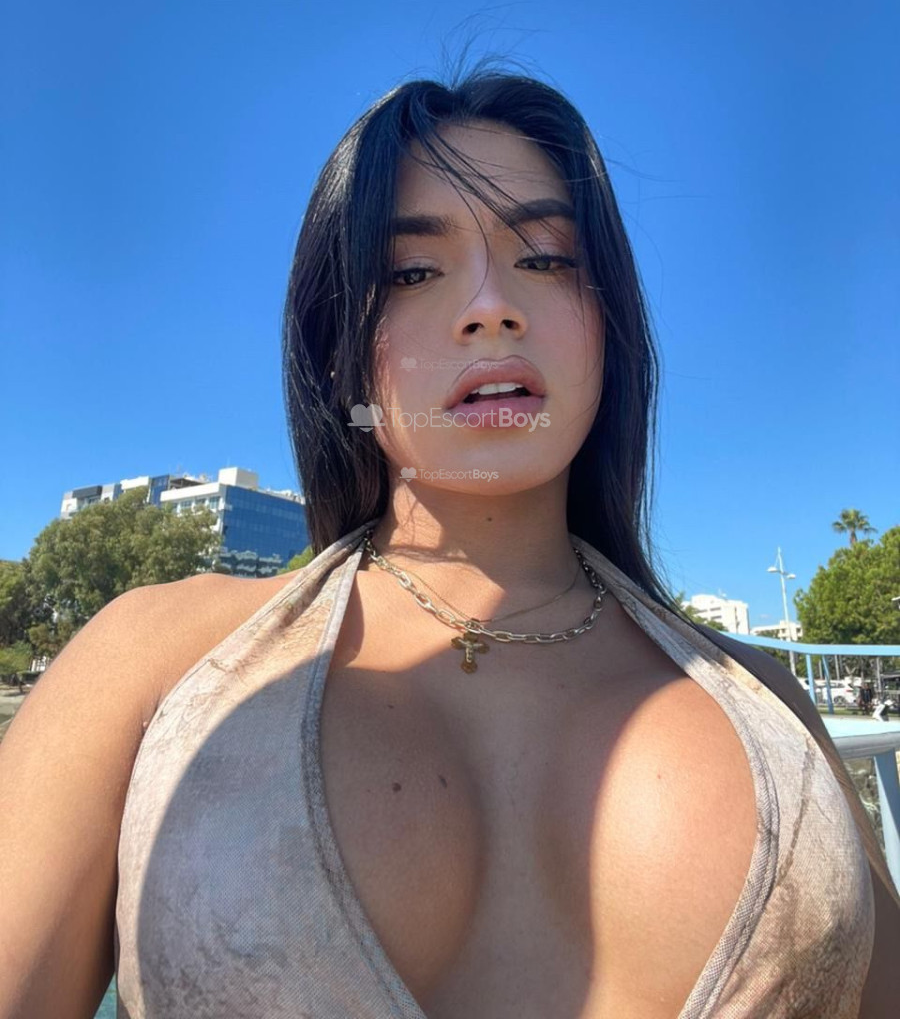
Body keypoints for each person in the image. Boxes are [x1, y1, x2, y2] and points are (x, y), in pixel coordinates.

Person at [2, 62, 899, 1018]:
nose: (490, 305)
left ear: (609, 328)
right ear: (337, 354)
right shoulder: (151, 665)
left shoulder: (765, 704)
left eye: (546, 258)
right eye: (412, 272)